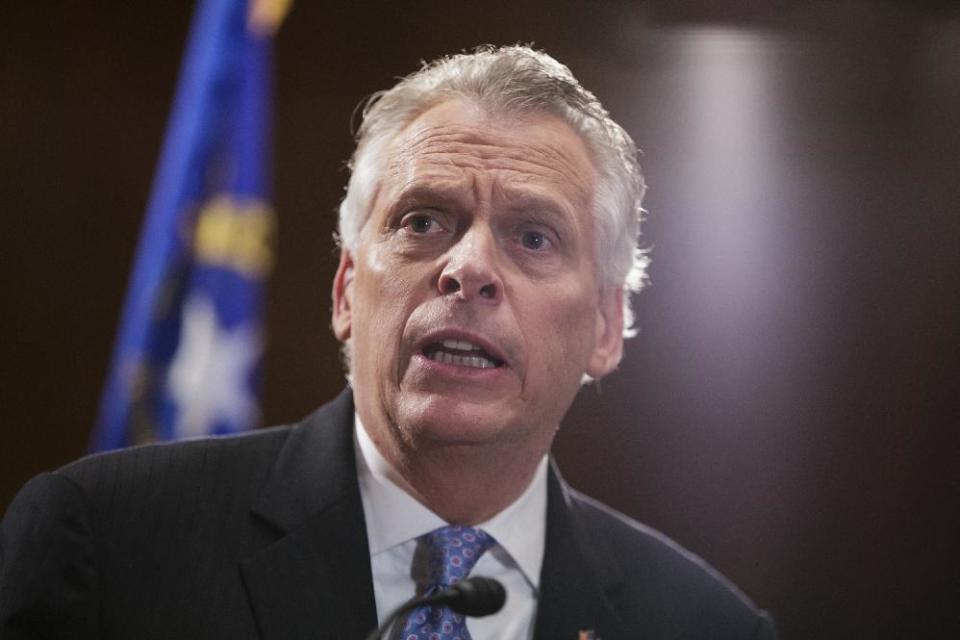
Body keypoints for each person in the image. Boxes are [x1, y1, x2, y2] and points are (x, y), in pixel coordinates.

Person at [0, 46, 777, 639]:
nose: (468, 269)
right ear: (345, 291)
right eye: (423, 222)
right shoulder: (106, 545)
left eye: (534, 237)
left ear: (606, 327)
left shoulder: (706, 624)